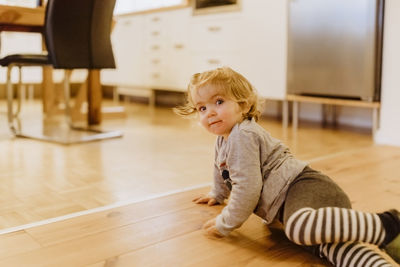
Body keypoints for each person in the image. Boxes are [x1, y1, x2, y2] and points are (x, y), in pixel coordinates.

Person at [174, 66, 400, 267]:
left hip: (303, 188)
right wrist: (218, 193)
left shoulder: (243, 135)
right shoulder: (224, 139)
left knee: (299, 229)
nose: (210, 112)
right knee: (334, 250)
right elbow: (221, 168)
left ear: (243, 105)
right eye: (202, 108)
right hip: (295, 208)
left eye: (219, 102)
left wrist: (227, 222)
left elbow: (248, 188)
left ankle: (390, 224)